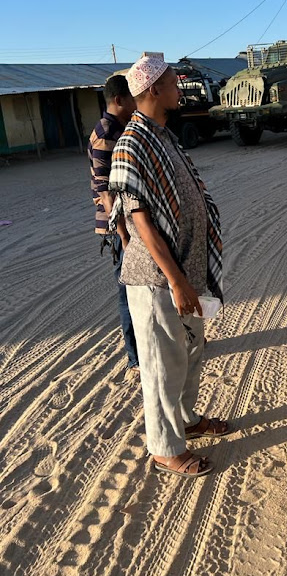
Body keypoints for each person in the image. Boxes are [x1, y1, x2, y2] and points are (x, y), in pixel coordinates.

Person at [109, 55, 229, 478]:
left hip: (183, 272)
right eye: (173, 82)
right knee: (161, 363)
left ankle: (186, 420)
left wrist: (186, 276)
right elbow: (139, 222)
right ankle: (164, 447)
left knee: (190, 353)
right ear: (153, 90)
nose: (180, 87)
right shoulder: (132, 142)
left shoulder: (162, 135)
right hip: (157, 278)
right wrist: (176, 280)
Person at [88, 75, 139, 376]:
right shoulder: (107, 132)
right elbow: (107, 192)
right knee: (128, 291)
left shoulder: (118, 127)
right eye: (133, 98)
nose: (136, 104)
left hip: (129, 224)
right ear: (119, 100)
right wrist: (125, 237)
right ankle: (135, 358)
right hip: (120, 227)